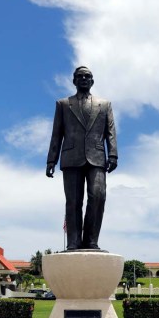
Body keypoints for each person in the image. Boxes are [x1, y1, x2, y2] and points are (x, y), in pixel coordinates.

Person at [46, 66, 118, 250]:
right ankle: (74, 242)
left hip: (97, 157)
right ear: (74, 80)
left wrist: (113, 154)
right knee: (73, 202)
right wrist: (51, 160)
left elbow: (110, 132)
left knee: (98, 196)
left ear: (92, 81)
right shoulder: (63, 104)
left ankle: (91, 240)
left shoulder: (104, 104)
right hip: (71, 157)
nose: (84, 79)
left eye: (87, 76)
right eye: (80, 76)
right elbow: (56, 134)